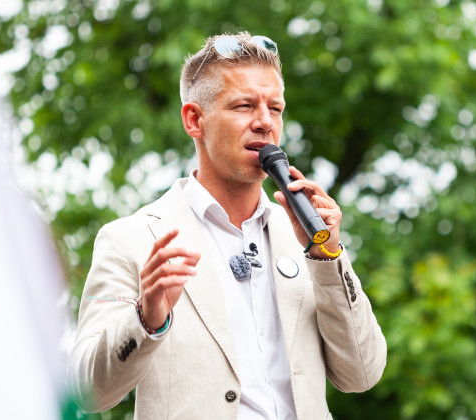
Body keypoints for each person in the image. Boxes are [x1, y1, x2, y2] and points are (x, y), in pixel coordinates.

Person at [67, 32, 387, 419]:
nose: (265, 122)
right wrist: (145, 320)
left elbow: (362, 374)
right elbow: (86, 393)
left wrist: (328, 256)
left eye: (275, 108)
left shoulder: (305, 236)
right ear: (194, 120)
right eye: (244, 105)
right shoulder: (131, 239)